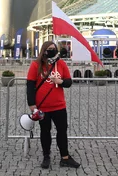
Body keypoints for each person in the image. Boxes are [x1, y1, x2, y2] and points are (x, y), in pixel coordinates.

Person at [26, 41, 80, 169]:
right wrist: (32, 104)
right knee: (45, 132)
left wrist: (60, 81)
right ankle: (46, 156)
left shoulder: (60, 64)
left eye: (53, 49)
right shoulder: (36, 65)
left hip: (59, 106)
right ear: (44, 50)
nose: (51, 51)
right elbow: (30, 85)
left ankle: (65, 157)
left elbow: (68, 82)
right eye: (49, 49)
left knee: (62, 131)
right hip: (43, 106)